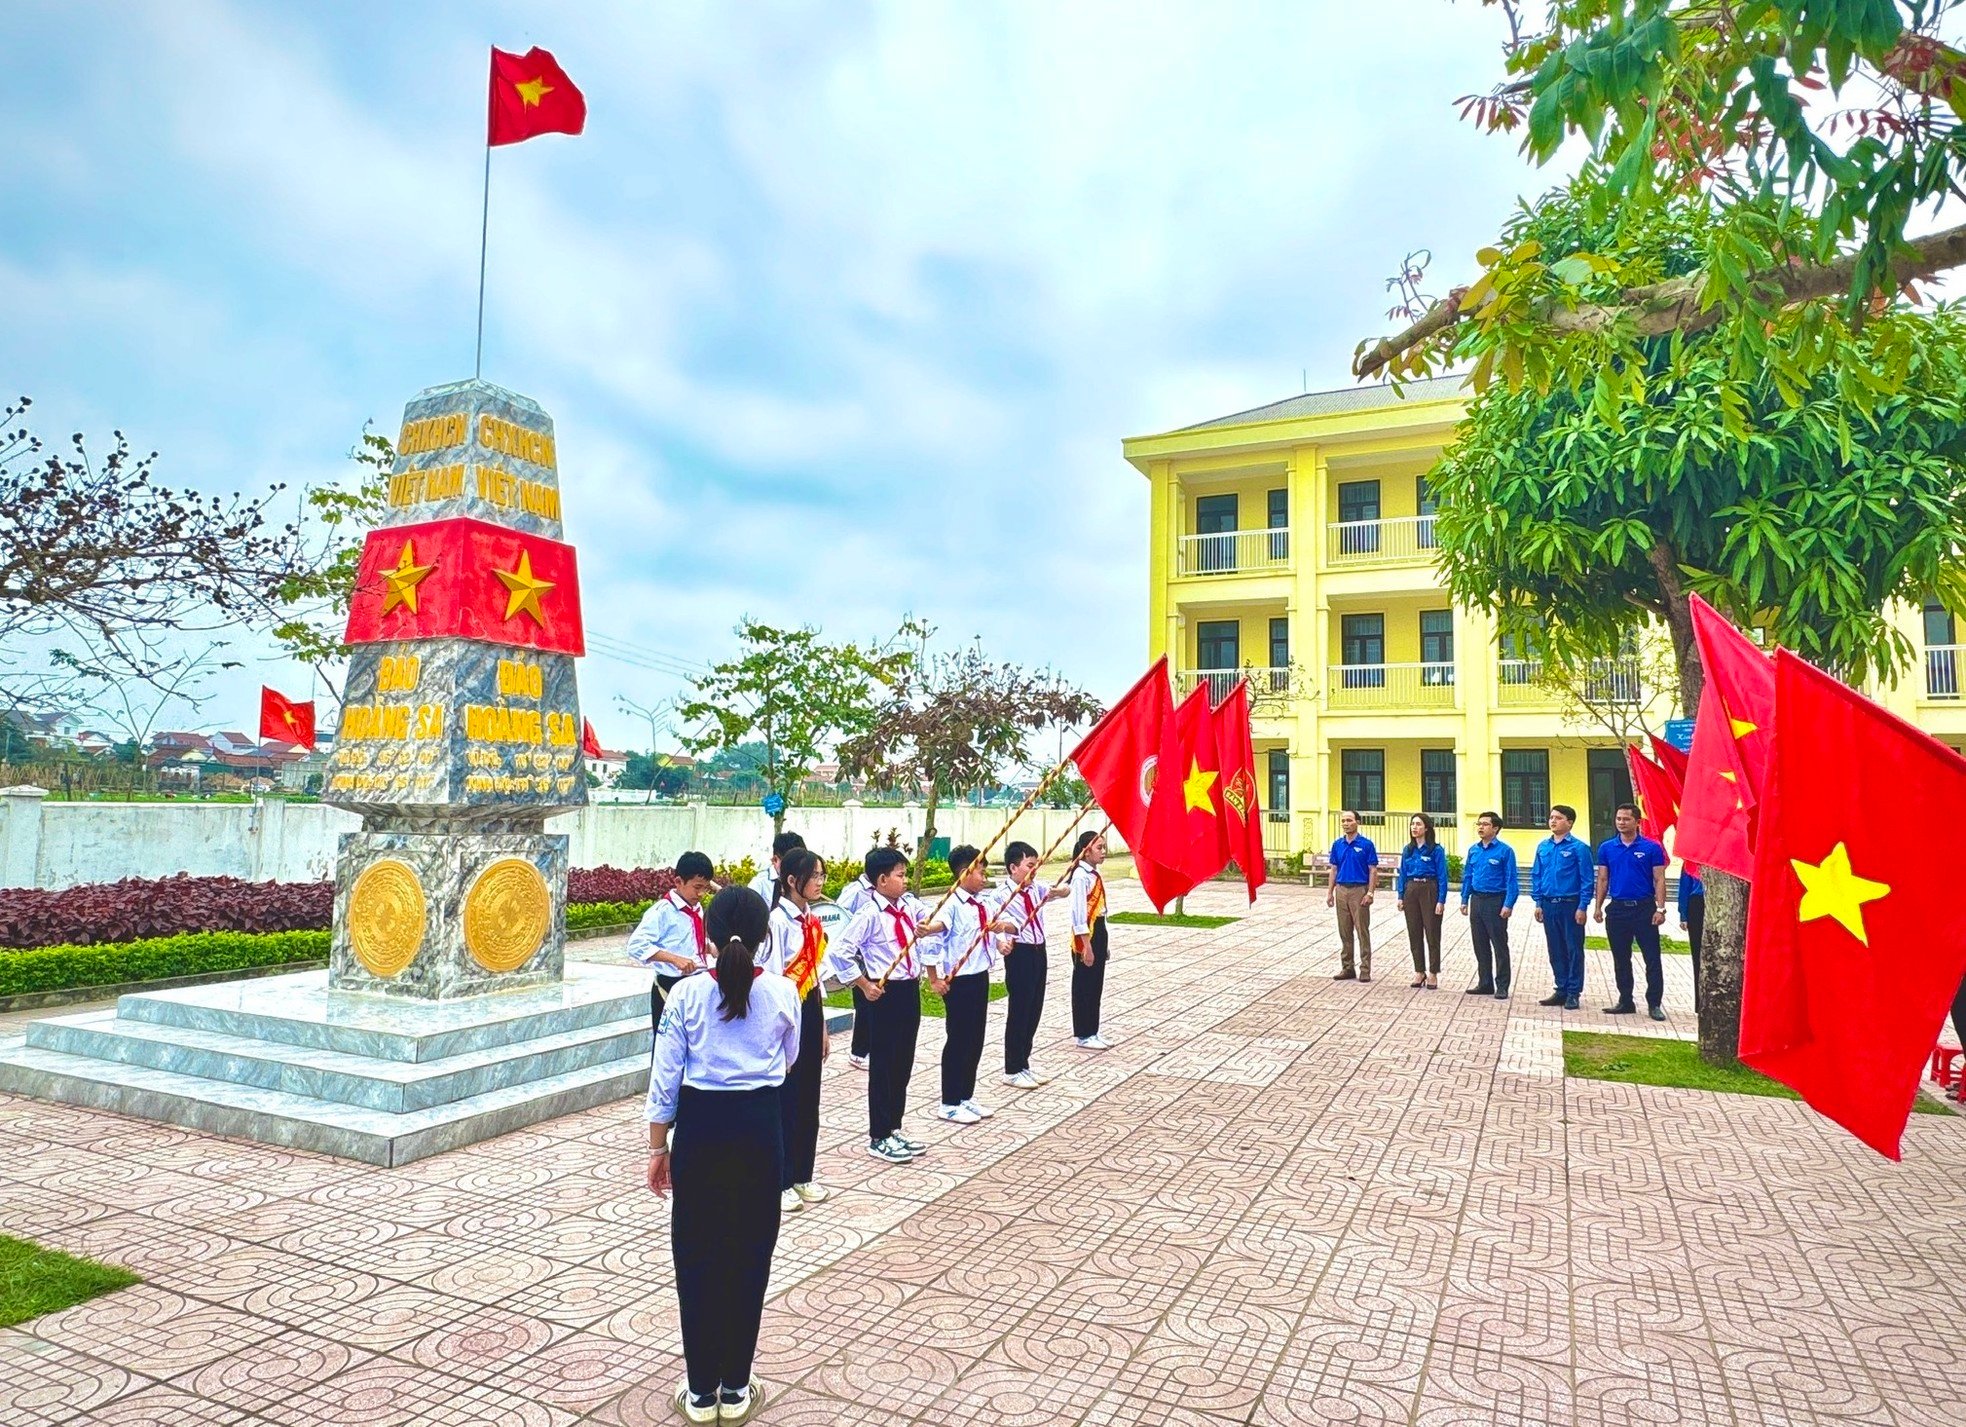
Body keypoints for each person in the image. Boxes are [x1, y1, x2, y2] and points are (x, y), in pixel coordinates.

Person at [645, 885, 801, 1424]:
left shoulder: (685, 995)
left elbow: (664, 1077)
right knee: (750, 1252)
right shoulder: (783, 992)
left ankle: (699, 1390)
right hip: (760, 1126)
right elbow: (789, 1059)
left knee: (697, 1254)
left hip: (701, 1129)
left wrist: (655, 1146)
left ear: (706, 936)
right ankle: (735, 1388)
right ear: (764, 938)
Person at [825, 847, 944, 1163]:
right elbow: (839, 952)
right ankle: (878, 1135)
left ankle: (894, 1126)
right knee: (883, 1065)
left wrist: (930, 926)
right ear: (881, 880)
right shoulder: (869, 914)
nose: (905, 881)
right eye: (900, 875)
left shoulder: (907, 904)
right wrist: (863, 985)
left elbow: (938, 917)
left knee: (903, 1061)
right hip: (884, 992)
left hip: (909, 991)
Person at [765, 848, 831, 1214]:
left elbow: (815, 977)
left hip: (809, 1007)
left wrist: (820, 1026)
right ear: (792, 880)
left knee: (809, 1098)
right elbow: (774, 979)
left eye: (822, 876)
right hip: (785, 1013)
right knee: (785, 1100)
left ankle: (804, 1172)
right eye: (815, 876)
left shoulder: (812, 922)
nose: (820, 882)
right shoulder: (776, 922)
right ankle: (781, 1179)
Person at [926, 845, 1011, 1125]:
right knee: (959, 1040)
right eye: (980, 871)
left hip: (980, 975)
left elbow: (990, 931)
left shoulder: (982, 903)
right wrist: (934, 978)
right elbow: (936, 932)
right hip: (960, 981)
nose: (984, 877)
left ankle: (966, 1096)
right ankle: (949, 1102)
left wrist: (1000, 940)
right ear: (964, 873)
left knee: (976, 1039)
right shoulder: (951, 904)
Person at [1593, 803, 1671, 1020]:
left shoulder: (1651, 848)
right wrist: (1598, 907)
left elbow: (1659, 879)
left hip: (1644, 909)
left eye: (1626, 819)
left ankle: (1654, 1003)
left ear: (1637, 822)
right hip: (1617, 909)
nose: (1621, 822)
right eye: (1618, 819)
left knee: (1652, 958)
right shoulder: (1607, 848)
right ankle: (1625, 1000)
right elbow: (1603, 878)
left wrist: (1661, 908)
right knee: (1621, 958)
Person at [626, 851, 716, 1039]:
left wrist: (708, 947)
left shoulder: (697, 909)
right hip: (669, 985)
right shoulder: (662, 911)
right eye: (697, 887)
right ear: (678, 882)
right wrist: (674, 959)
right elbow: (636, 945)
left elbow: (687, 940)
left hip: (696, 983)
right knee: (666, 1043)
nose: (701, 894)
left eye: (706, 888)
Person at [998, 840, 1062, 1088]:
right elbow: (996, 923)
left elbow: (1062, 890)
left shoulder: (1036, 889)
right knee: (1020, 1009)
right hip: (1020, 954)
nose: (1033, 870)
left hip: (1039, 950)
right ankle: (1012, 1068)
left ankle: (1024, 1063)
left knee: (1035, 1007)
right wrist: (1002, 939)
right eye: (1029, 865)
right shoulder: (1001, 895)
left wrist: (1060, 891)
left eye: (1036, 865)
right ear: (1013, 867)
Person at [1530, 804, 1591, 1011]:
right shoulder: (1543, 847)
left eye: (1558, 818)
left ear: (1570, 822)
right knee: (1555, 949)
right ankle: (1561, 988)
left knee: (1573, 948)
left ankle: (1573, 992)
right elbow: (1537, 875)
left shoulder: (1579, 848)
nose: (1553, 821)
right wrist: (1538, 902)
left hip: (1570, 904)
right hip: (1549, 904)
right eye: (1551, 817)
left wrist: (1582, 906)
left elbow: (1586, 880)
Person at [1459, 811, 1519, 998]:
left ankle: (1502, 985)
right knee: (1480, 944)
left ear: (1495, 828)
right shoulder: (1473, 850)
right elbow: (1468, 875)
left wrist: (1508, 904)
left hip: (1495, 901)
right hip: (1477, 900)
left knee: (1499, 944)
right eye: (1479, 824)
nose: (1480, 827)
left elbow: (1511, 880)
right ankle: (1484, 982)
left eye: (1485, 824)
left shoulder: (1505, 851)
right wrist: (1464, 899)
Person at [1068, 831, 1112, 1049]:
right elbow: (1078, 914)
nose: (1103, 852)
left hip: (1099, 929)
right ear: (1086, 852)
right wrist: (1087, 946)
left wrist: (1105, 943)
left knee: (1096, 984)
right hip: (1086, 935)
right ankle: (1084, 1033)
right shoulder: (1080, 876)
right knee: (1085, 984)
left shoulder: (1093, 874)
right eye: (1099, 848)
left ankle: (1093, 1030)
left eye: (1104, 847)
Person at [834, 855, 879, 1071]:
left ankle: (871, 1047)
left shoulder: (880, 893)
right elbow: (838, 918)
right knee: (863, 1005)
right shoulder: (854, 891)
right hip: (858, 957)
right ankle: (858, 1053)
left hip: (876, 957)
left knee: (875, 1004)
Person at [1326, 810, 1379, 982]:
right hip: (1341, 890)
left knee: (1362, 931)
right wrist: (1330, 892)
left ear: (1357, 822)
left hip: (1359, 890)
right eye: (1343, 821)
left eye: (1349, 820)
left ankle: (1365, 969)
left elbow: (1372, 870)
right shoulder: (1338, 845)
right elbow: (1334, 869)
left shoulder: (1366, 845)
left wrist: (1370, 892)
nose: (1345, 823)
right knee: (1344, 931)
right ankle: (1347, 967)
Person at [1396, 814, 1447, 990]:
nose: (1414, 828)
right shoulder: (1408, 850)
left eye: (1418, 824)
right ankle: (1419, 970)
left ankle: (1433, 972)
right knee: (1414, 932)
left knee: (1432, 932)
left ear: (1426, 828)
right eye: (1412, 824)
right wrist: (1400, 896)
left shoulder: (1436, 850)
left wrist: (1441, 900)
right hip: (1411, 889)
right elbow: (1402, 873)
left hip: (1429, 889)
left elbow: (1442, 877)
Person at [1679, 864, 1705, 1012]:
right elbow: (1684, 886)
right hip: (1697, 903)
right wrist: (1683, 913)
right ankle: (1700, 1002)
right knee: (1698, 955)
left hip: (1719, 900)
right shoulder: (1691, 859)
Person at [750, 830, 805, 901]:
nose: (795, 868)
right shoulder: (759, 883)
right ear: (775, 860)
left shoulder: (804, 879)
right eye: (790, 864)